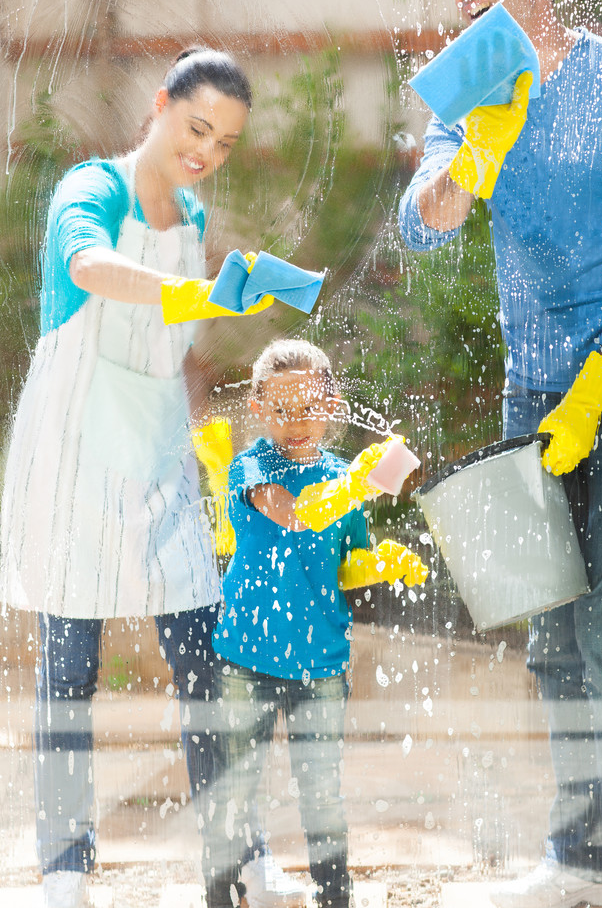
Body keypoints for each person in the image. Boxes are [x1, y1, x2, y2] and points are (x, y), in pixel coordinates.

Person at [399, 0, 602, 908]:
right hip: (532, 397)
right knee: (552, 644)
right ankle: (575, 861)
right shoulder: (469, 99)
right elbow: (422, 225)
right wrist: (469, 158)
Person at [0, 46, 285, 908]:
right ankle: (63, 867)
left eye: (225, 141)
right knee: (68, 668)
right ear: (160, 106)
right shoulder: (92, 189)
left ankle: (241, 855)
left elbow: (175, 352)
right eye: (196, 127)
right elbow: (87, 266)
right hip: (75, 448)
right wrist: (183, 295)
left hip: (156, 445)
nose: (205, 151)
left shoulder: (191, 213)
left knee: (204, 658)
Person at [201, 339, 428, 908]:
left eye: (306, 408)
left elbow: (341, 564)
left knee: (321, 790)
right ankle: (217, 894)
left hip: (321, 663)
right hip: (246, 661)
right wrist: (353, 485)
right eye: (280, 411)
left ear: (331, 405)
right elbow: (290, 512)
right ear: (257, 407)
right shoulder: (250, 467)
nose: (294, 422)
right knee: (235, 789)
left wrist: (379, 563)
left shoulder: (340, 479)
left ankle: (335, 896)